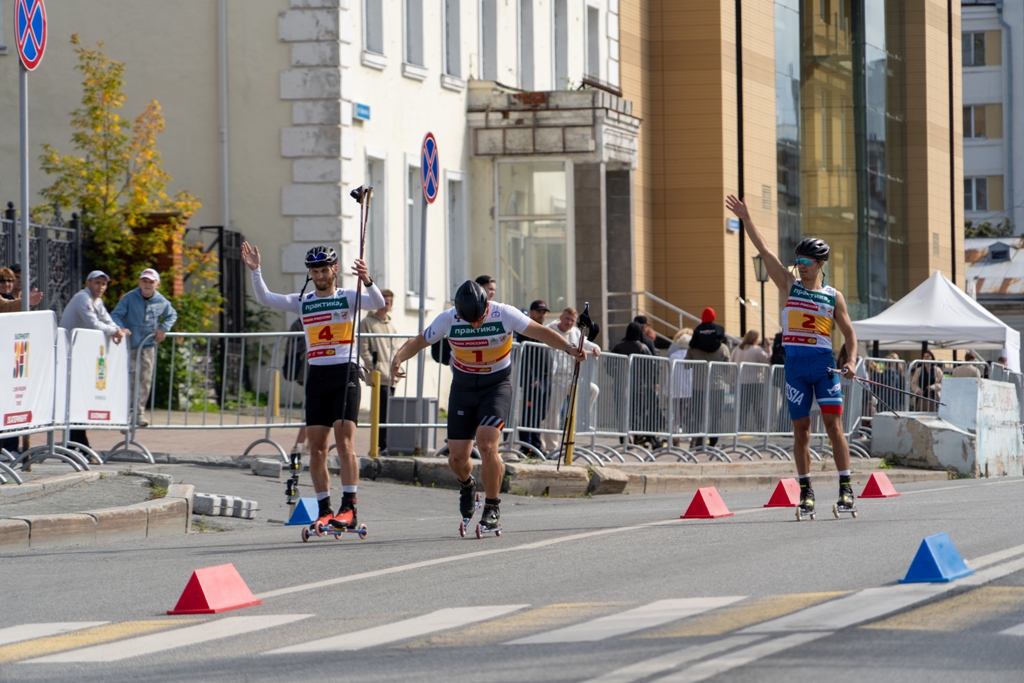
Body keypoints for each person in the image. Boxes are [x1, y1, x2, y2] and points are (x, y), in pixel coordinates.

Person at [390, 280, 586, 534]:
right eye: (468, 320)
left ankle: (492, 506)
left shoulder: (504, 313)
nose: (475, 324)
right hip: (462, 388)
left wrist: (569, 348)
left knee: (486, 443)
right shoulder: (448, 319)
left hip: (496, 386)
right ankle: (468, 485)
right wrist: (398, 357)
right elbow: (419, 341)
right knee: (457, 457)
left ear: (486, 306)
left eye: (479, 318)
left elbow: (541, 332)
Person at [727, 193, 858, 517]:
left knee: (833, 425)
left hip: (825, 365)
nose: (800, 266)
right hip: (796, 366)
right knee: (800, 430)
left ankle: (845, 487)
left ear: (821, 264)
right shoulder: (788, 284)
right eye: (798, 260)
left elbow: (850, 333)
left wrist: (851, 360)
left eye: (806, 262)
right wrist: (746, 218)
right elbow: (764, 250)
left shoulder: (832, 296)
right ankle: (806, 490)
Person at [243, 242, 384, 531]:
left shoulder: (348, 296)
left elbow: (378, 303)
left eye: (324, 269)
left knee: (345, 445)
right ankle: (324, 508)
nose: (320, 275)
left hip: (345, 373)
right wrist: (256, 271)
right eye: (315, 271)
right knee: (317, 449)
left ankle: (349, 507)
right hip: (317, 376)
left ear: (334, 269)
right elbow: (266, 298)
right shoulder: (303, 300)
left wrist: (368, 280)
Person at [59, 270, 128, 452]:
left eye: (103, 284)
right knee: (74, 401)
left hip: (80, 357)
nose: (101, 287)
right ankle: (78, 444)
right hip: (67, 355)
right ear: (88, 283)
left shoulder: (97, 301)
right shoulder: (83, 298)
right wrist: (114, 332)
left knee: (79, 401)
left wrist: (118, 329)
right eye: (97, 283)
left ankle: (76, 444)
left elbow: (106, 319)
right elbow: (93, 323)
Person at [110, 268, 177, 427]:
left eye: (151, 282)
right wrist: (120, 329)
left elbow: (172, 314)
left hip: (147, 346)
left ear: (157, 284)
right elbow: (116, 315)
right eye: (144, 281)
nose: (147, 285)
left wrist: (163, 329)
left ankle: (138, 413)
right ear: (139, 282)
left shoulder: (162, 301)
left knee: (145, 379)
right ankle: (124, 414)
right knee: (128, 379)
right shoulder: (129, 298)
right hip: (129, 346)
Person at [542, 307, 602, 452]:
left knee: (593, 389)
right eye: (567, 319)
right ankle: (551, 447)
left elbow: (587, 343)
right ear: (561, 317)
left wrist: (595, 347)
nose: (569, 322)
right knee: (553, 413)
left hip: (573, 376)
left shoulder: (576, 332)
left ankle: (579, 418)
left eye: (572, 320)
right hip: (556, 376)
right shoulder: (550, 329)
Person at [359, 288, 398, 454]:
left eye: (388, 302)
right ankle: (380, 445)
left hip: (391, 374)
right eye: (382, 302)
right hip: (378, 374)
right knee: (380, 411)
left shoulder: (390, 324)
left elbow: (395, 347)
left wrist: (398, 366)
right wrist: (372, 367)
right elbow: (363, 347)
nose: (385, 305)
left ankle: (386, 444)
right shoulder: (367, 323)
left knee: (389, 411)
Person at [515, 300, 551, 453]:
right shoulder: (526, 329)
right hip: (533, 380)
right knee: (529, 412)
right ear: (531, 312)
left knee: (540, 413)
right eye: (539, 312)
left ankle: (536, 444)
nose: (542, 315)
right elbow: (526, 356)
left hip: (545, 378)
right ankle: (526, 445)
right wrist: (531, 379)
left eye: (544, 312)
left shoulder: (542, 330)